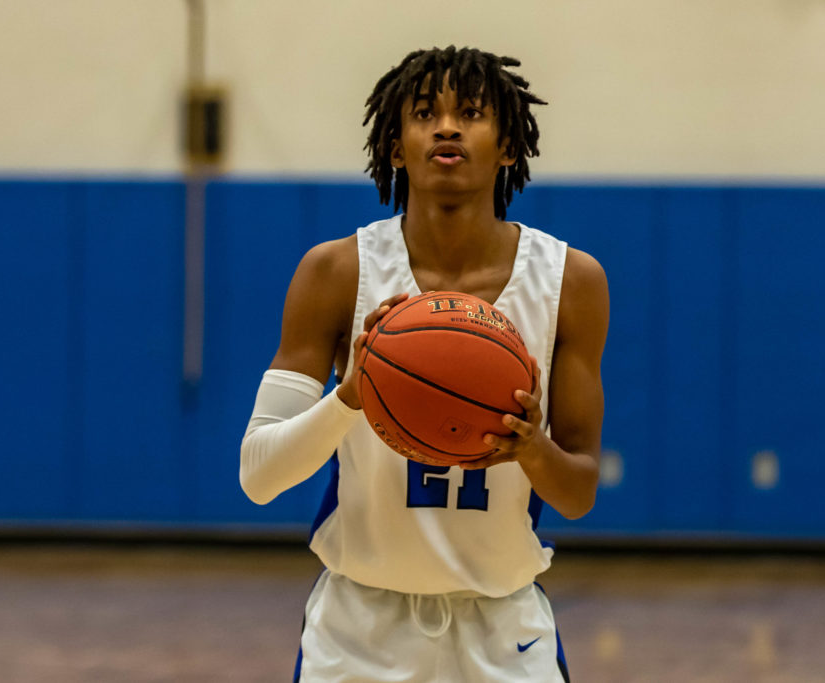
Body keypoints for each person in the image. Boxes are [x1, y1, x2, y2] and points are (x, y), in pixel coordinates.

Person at [239, 46, 608, 682]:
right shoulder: (336, 273)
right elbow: (259, 475)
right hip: (357, 635)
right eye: (423, 113)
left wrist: (531, 449)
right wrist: (349, 398)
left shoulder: (569, 281)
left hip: (505, 634)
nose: (446, 128)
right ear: (394, 147)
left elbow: (578, 493)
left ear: (508, 147)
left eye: (471, 113)